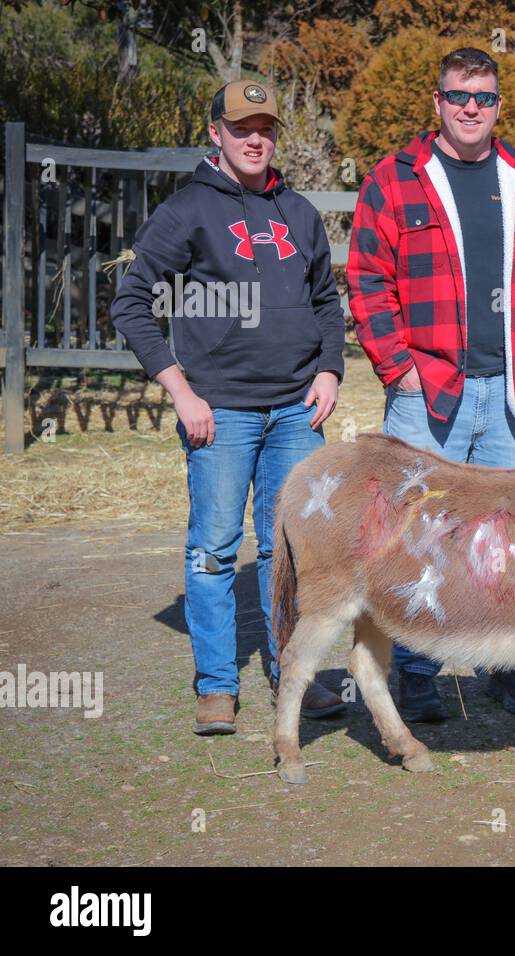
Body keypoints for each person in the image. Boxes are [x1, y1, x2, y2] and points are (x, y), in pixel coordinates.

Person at [111, 80, 347, 735]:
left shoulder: (297, 211)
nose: (255, 138)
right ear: (215, 132)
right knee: (214, 551)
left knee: (290, 551)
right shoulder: (187, 210)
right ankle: (216, 687)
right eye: (241, 127)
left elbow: (326, 301)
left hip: (299, 414)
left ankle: (291, 676)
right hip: (222, 414)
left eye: (265, 127)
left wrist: (330, 370)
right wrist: (181, 391)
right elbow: (131, 303)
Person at [348, 47, 515, 721]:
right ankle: (417, 670)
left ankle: (508, 665)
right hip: (428, 393)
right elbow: (367, 280)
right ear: (438, 103)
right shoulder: (395, 180)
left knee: (510, 539)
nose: (470, 108)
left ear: (499, 105)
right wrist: (402, 369)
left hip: (510, 396)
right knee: (420, 535)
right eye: (458, 96)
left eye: (483, 97)